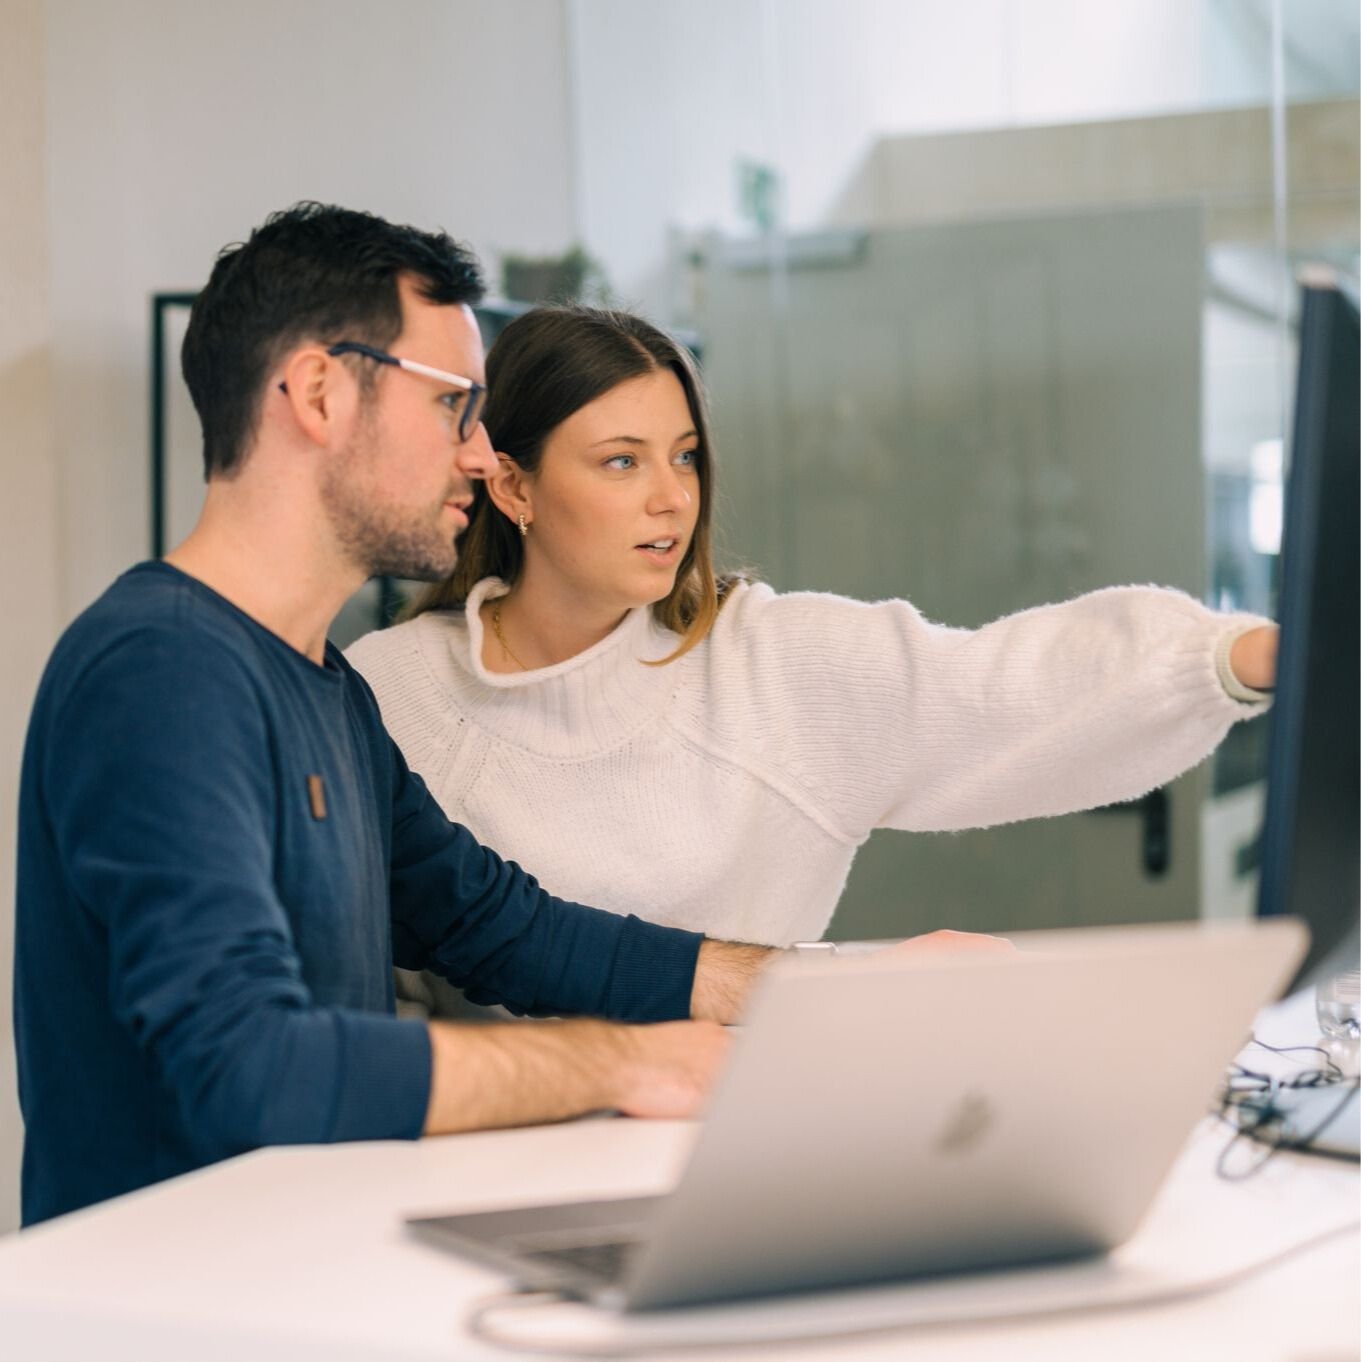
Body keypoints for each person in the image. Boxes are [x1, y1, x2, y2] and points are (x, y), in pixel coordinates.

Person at [14, 206, 875, 1229]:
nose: (477, 454)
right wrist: (631, 1061)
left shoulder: (326, 687)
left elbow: (498, 927)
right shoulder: (160, 672)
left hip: (304, 1287)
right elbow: (252, 1067)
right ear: (321, 393)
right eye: (453, 406)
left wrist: (828, 990)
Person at [347, 304, 1279, 957]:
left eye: (684, 457)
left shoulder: (769, 665)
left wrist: (1238, 660)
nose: (672, 498)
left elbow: (1003, 690)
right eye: (620, 462)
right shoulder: (391, 695)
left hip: (748, 1153)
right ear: (512, 487)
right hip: (471, 1175)